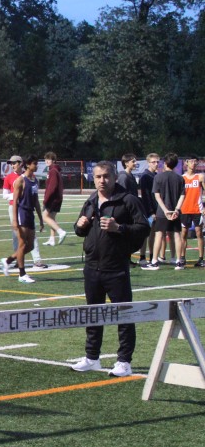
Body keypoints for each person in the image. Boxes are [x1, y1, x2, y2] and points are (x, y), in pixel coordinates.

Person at [71, 161, 149, 378]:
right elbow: (79, 230)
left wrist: (119, 228)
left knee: (123, 314)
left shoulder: (128, 200)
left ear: (115, 177)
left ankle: (124, 361)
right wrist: (80, 226)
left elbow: (144, 227)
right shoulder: (91, 200)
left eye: (106, 176)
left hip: (116, 267)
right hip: (91, 266)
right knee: (93, 314)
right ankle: (92, 357)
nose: (102, 181)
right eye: (98, 177)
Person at [1, 155, 44, 284]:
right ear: (28, 165)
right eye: (34, 163)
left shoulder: (35, 180)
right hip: (22, 213)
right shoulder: (20, 180)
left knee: (30, 246)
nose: (37, 166)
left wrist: (41, 219)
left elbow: (36, 201)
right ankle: (22, 274)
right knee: (22, 244)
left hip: (30, 214)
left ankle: (8, 260)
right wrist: (15, 220)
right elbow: (14, 201)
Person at [145, 152, 183, 270]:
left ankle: (154, 262)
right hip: (175, 211)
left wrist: (165, 210)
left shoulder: (158, 177)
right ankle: (179, 261)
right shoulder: (180, 178)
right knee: (177, 235)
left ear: (165, 163)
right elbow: (183, 196)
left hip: (162, 212)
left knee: (159, 235)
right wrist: (176, 210)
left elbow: (157, 196)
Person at [178, 155, 203, 269]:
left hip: (197, 209)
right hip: (185, 209)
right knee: (183, 234)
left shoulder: (200, 177)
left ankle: (201, 259)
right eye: (191, 161)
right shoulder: (181, 178)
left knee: (199, 233)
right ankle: (182, 257)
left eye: (195, 162)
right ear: (186, 163)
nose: (193, 163)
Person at [137, 153, 160, 266]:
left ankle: (152, 256)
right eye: (153, 162)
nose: (156, 164)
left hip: (156, 208)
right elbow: (145, 195)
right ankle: (142, 256)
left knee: (153, 234)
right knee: (146, 233)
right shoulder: (145, 176)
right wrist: (151, 212)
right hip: (148, 209)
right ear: (148, 163)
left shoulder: (155, 175)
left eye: (157, 162)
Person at [42, 151, 68, 246]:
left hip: (53, 199)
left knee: (45, 216)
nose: (47, 161)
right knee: (52, 218)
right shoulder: (55, 170)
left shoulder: (52, 171)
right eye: (46, 159)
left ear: (53, 160)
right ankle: (52, 239)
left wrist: (46, 199)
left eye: (49, 159)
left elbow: (52, 187)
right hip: (57, 198)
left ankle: (61, 232)